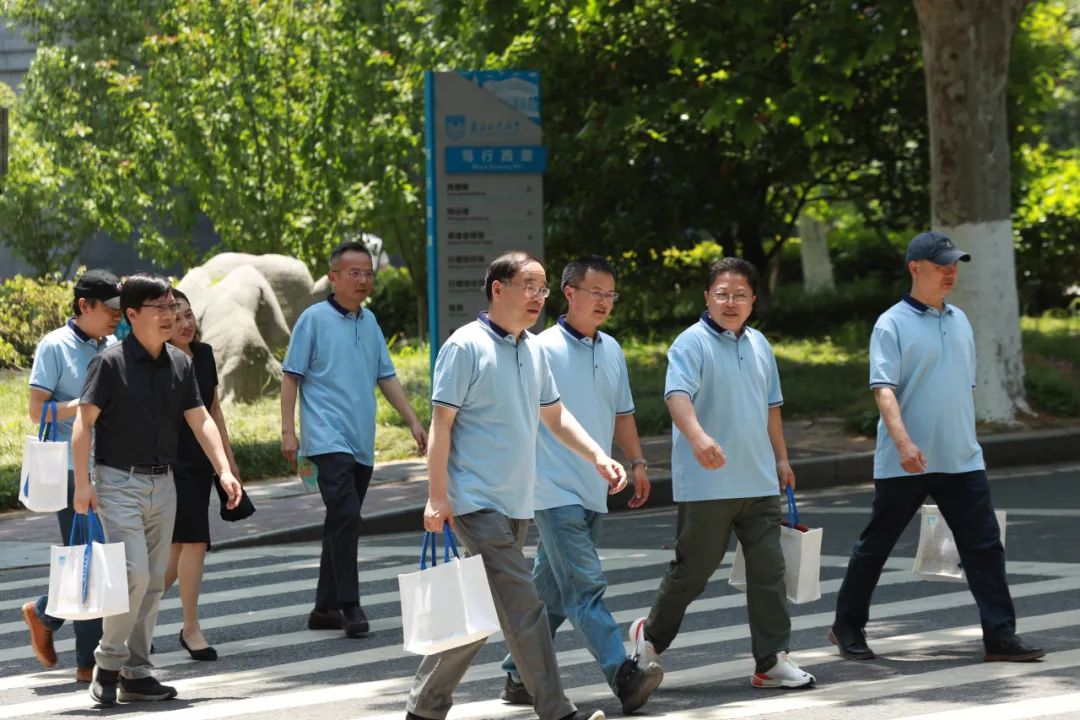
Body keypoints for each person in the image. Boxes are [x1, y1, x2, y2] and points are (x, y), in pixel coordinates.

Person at [406, 251, 621, 720]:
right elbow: (441, 424)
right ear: (497, 289)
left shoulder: (532, 349)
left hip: (516, 504)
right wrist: (437, 496)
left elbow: (555, 416)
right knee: (526, 608)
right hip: (474, 502)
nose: (537, 297)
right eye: (528, 286)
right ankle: (557, 711)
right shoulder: (465, 346)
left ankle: (424, 709)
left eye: (542, 289)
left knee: (479, 611)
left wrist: (598, 456)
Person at [829, 231, 1045, 663]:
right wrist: (904, 443)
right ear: (915, 268)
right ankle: (847, 626)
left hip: (962, 459)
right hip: (906, 460)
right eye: (941, 265)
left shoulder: (960, 320)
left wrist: (968, 441)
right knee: (877, 544)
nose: (950, 273)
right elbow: (884, 390)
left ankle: (1000, 635)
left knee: (985, 546)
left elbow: (962, 390)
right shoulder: (891, 323)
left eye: (954, 265)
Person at [629, 257, 816, 691]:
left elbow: (772, 408)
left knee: (769, 571)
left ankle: (771, 660)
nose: (731, 302)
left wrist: (782, 460)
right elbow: (677, 396)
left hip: (758, 480)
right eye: (722, 294)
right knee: (694, 570)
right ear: (707, 297)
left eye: (740, 295)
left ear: (753, 300)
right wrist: (698, 438)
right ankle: (650, 637)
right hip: (707, 482)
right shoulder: (691, 343)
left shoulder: (760, 344)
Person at [497, 256, 661, 714]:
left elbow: (623, 413)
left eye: (611, 295)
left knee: (551, 593)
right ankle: (622, 674)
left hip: (595, 487)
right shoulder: (539, 348)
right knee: (585, 588)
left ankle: (517, 673)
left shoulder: (612, 349)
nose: (604, 302)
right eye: (596, 293)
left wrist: (637, 463)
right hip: (551, 490)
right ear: (569, 293)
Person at [72, 273, 243, 706]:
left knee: (151, 584)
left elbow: (200, 419)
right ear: (132, 315)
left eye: (172, 306)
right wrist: (82, 485)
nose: (170, 315)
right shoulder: (109, 363)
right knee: (133, 575)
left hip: (164, 484)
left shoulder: (180, 363)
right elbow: (83, 424)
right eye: (160, 308)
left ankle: (136, 672)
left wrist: (224, 470)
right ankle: (108, 662)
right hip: (118, 483)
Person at [281, 240, 427, 639]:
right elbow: (291, 376)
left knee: (341, 520)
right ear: (334, 277)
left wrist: (413, 421)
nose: (363, 280)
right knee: (346, 515)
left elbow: (386, 376)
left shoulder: (370, 321)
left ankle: (323, 608)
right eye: (354, 273)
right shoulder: (313, 319)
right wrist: (288, 432)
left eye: (368, 273)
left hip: (361, 440)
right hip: (326, 438)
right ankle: (350, 604)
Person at [20, 269, 121, 684]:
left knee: (106, 556)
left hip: (113, 465)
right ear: (84, 306)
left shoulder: (114, 345)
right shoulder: (54, 346)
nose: (117, 316)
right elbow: (36, 412)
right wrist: (84, 404)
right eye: (110, 309)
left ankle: (46, 612)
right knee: (89, 557)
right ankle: (89, 661)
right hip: (69, 470)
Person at [162, 289, 241, 662]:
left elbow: (213, 409)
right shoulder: (160, 361)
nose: (185, 323)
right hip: (169, 462)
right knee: (187, 545)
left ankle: (145, 618)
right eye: (176, 317)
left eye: (189, 315)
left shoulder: (204, 354)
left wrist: (226, 461)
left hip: (200, 462)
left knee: (184, 547)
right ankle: (184, 627)